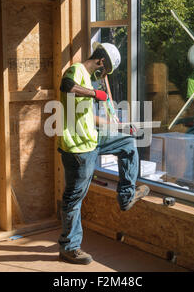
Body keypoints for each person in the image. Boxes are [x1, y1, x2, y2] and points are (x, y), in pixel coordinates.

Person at [57, 42, 150, 265]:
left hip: (92, 139)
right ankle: (69, 248)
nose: (103, 76)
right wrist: (94, 93)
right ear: (100, 62)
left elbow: (88, 116)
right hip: (78, 148)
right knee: (73, 199)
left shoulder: (88, 79)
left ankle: (126, 196)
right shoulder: (76, 71)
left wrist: (119, 126)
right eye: (105, 71)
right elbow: (66, 86)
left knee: (127, 143)